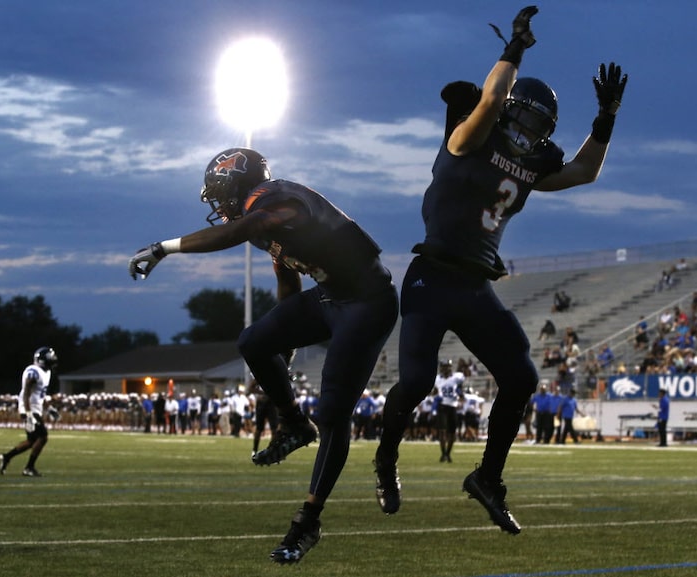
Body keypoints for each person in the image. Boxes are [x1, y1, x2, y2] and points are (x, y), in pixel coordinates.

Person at [373, 5, 627, 535]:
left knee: (521, 377)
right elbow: (489, 99)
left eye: (541, 126)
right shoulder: (468, 139)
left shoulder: (531, 164)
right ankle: (386, 457)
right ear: (510, 112)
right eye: (526, 118)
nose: (530, 131)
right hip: (432, 274)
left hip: (474, 284)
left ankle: (487, 477)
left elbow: (582, 171)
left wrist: (605, 120)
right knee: (417, 380)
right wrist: (516, 47)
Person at [128, 147, 398, 564]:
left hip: (368, 303)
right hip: (330, 298)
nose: (218, 204)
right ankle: (293, 424)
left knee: (333, 412)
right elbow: (288, 286)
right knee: (252, 341)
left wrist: (163, 248)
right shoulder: (262, 220)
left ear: (238, 184)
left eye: (220, 192)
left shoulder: (272, 199)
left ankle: (308, 520)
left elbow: (240, 229)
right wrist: (281, 365)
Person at [0, 347, 58, 477]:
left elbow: (40, 394)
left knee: (31, 441)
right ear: (42, 360)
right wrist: (29, 414)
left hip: (35, 408)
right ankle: (29, 468)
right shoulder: (33, 371)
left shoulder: (46, 372)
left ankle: (6, 457)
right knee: (43, 437)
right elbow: (26, 393)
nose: (52, 360)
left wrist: (50, 408)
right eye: (50, 358)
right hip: (28, 408)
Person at [433, 360, 465, 463]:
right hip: (442, 407)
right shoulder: (438, 379)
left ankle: (448, 454)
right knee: (442, 431)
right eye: (444, 367)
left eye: (448, 367)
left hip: (452, 407)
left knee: (452, 432)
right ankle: (443, 454)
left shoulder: (456, 378)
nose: (446, 369)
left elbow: (460, 391)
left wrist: (460, 396)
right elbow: (435, 391)